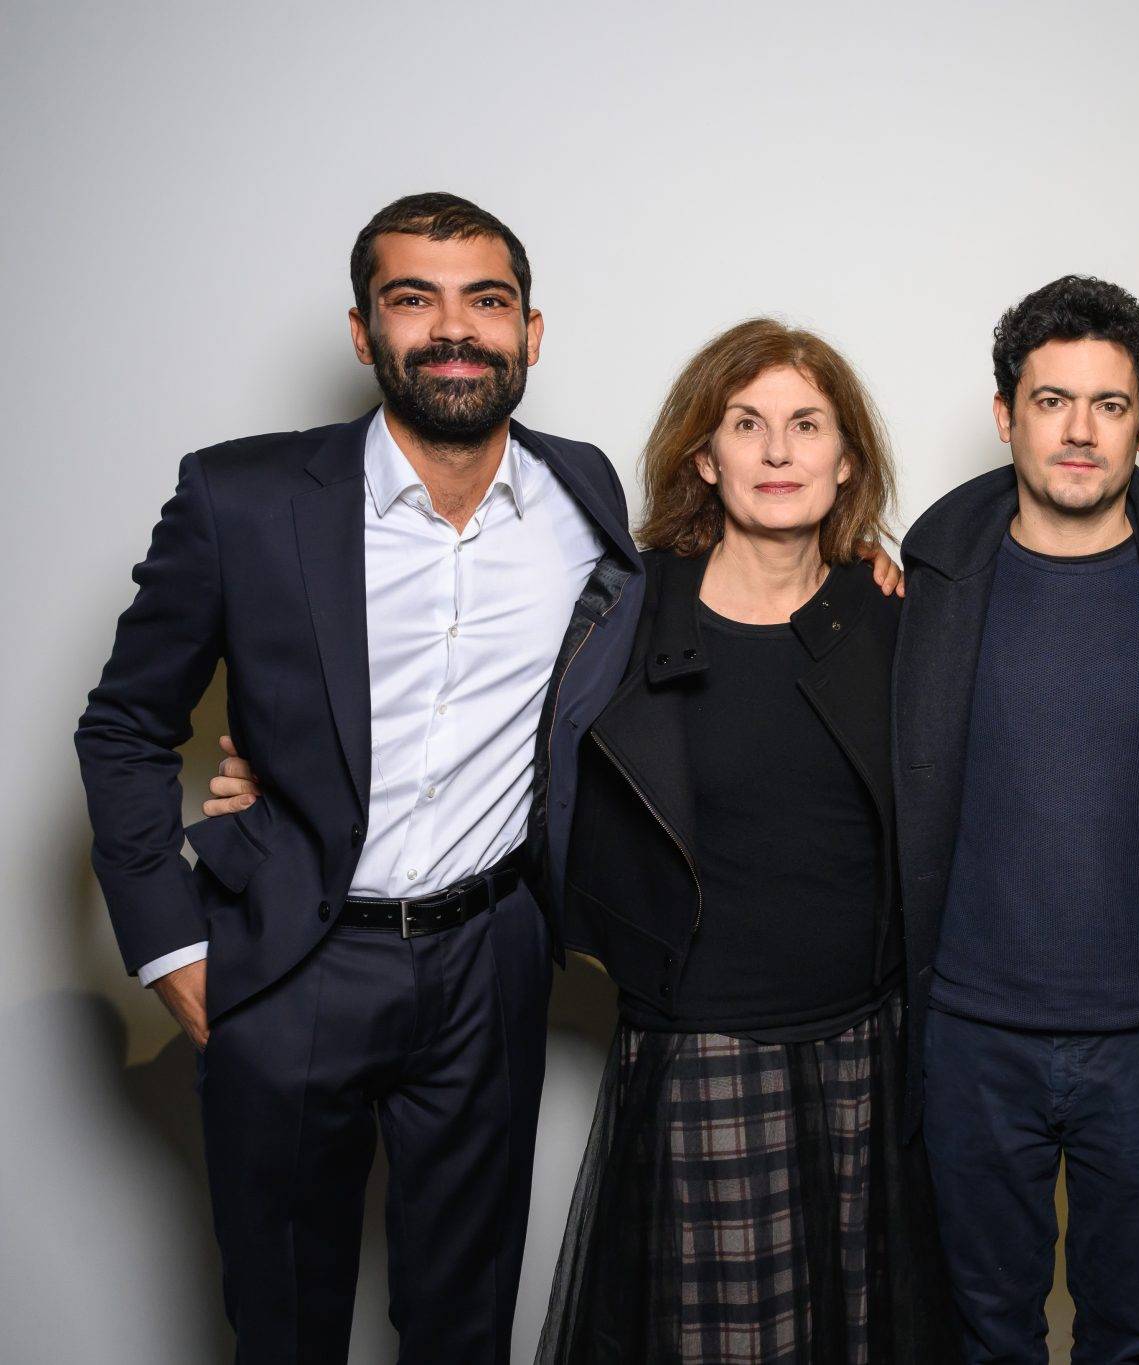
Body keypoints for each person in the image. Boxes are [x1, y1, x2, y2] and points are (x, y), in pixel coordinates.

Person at [74, 192, 646, 1362]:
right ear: (362, 331)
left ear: (531, 333)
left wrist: (863, 569)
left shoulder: (584, 496)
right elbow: (126, 725)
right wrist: (173, 949)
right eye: (412, 300)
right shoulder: (242, 499)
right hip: (292, 960)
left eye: (486, 302)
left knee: (465, 1319)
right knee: (283, 1321)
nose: (453, 330)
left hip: (492, 959)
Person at [533, 318, 953, 1364]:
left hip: (869, 1040)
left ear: (845, 457)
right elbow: (488, 731)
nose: (777, 452)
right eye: (748, 424)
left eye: (806, 425)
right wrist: (273, 774)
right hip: (701, 1044)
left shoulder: (892, 613)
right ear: (702, 455)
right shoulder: (625, 606)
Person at [894, 275, 1139, 1362]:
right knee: (985, 1335)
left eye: (1108, 405)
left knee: (1119, 1336)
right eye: (1052, 401)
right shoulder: (924, 581)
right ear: (1005, 415)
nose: (1079, 430)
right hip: (969, 1039)